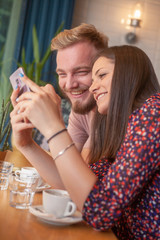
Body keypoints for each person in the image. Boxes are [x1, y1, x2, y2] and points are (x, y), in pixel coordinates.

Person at [10, 45, 160, 239]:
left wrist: (54, 127)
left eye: (102, 75)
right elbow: (73, 187)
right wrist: (27, 145)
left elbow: (100, 211)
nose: (92, 86)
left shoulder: (153, 114)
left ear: (129, 74)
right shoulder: (128, 124)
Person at [51, 23, 108, 161]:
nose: (70, 85)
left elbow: (79, 179)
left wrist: (52, 125)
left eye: (81, 72)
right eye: (62, 74)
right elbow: (65, 169)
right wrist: (25, 143)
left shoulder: (112, 111)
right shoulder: (81, 110)